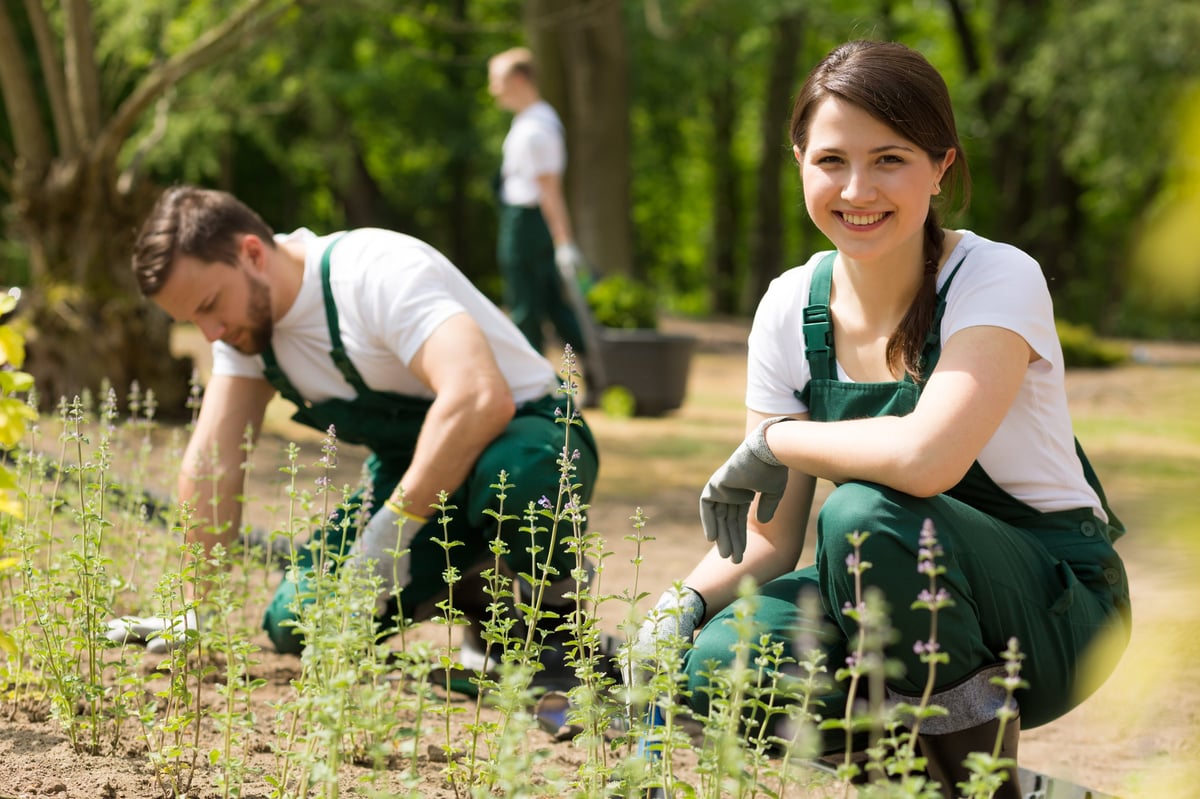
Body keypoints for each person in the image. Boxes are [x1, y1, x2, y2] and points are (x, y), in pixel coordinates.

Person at [634, 40, 1131, 797]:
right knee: (723, 660)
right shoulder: (786, 307)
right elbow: (770, 537)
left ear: (941, 167)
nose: (858, 188)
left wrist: (771, 437)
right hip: (882, 594)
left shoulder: (993, 277)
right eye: (832, 159)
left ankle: (981, 789)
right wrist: (685, 603)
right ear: (798, 158)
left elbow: (929, 460)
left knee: (864, 514)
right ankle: (987, 781)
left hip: (1054, 607)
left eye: (891, 159)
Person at [111, 185, 599, 682]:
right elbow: (212, 462)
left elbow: (479, 397)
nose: (209, 332)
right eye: (193, 319)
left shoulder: (375, 272)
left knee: (517, 473)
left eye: (211, 305)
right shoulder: (244, 334)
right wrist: (195, 606)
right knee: (297, 622)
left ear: (252, 254)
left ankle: (559, 631)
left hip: (531, 435)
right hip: (420, 472)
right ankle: (479, 599)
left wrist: (393, 529)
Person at [487, 46, 593, 364]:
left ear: (518, 79)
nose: (493, 89)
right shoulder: (532, 121)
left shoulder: (536, 130)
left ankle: (532, 383)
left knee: (525, 308)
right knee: (549, 305)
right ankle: (595, 368)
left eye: (497, 80)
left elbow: (549, 191)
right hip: (524, 221)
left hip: (527, 224)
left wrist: (563, 241)